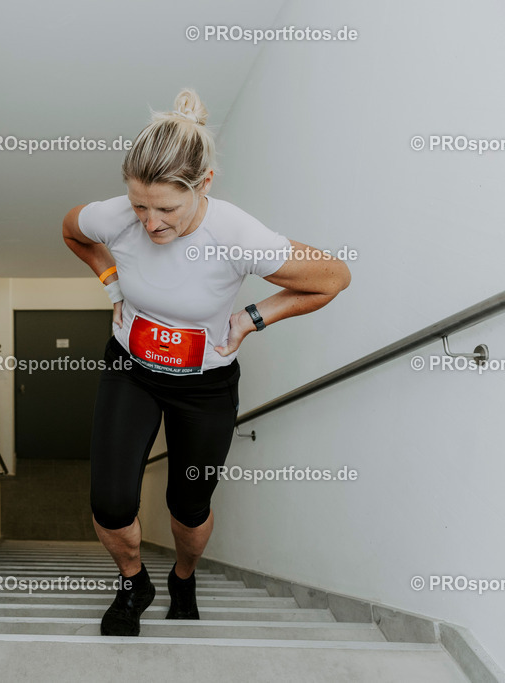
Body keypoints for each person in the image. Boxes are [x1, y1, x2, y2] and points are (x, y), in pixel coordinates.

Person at [61, 89, 351, 636]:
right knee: (110, 501)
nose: (150, 223)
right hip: (131, 370)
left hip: (205, 386)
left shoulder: (237, 234)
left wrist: (254, 317)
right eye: (140, 205)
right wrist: (110, 281)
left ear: (205, 185)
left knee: (188, 504)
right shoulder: (116, 216)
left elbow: (333, 277)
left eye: (166, 208)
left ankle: (184, 575)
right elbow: (71, 230)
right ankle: (133, 581)